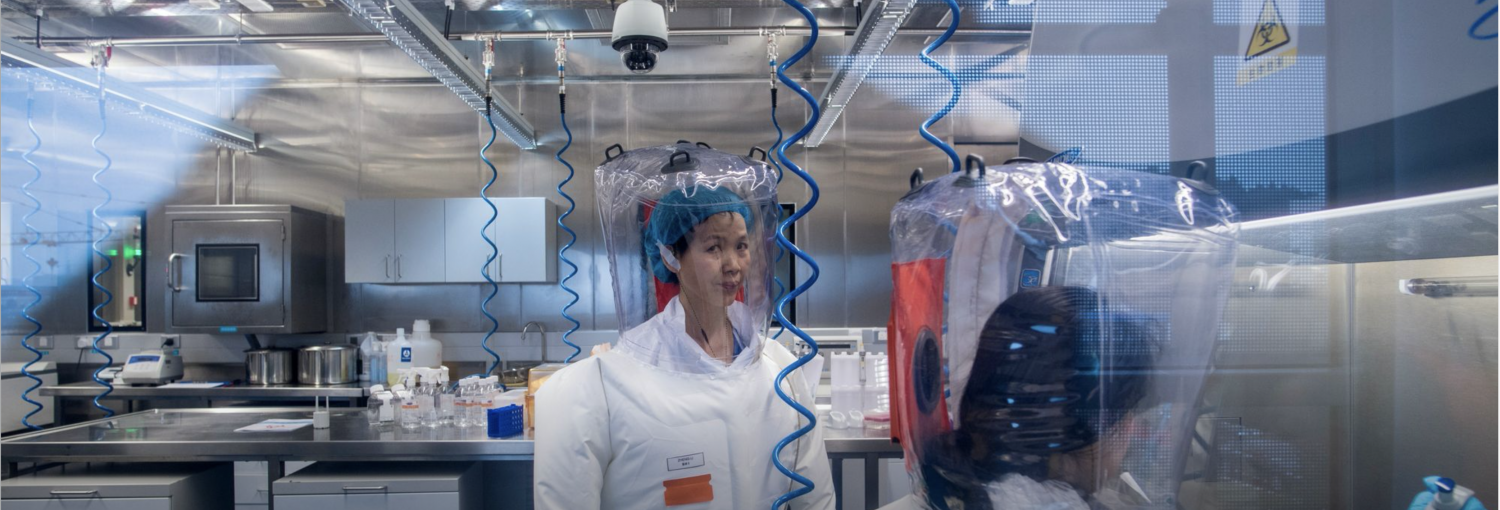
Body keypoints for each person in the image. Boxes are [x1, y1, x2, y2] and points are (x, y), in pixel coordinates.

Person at [535, 185, 835, 509]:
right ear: (670, 255)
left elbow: (815, 498)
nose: (733, 264)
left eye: (742, 246)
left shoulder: (780, 371)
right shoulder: (605, 386)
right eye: (713, 248)